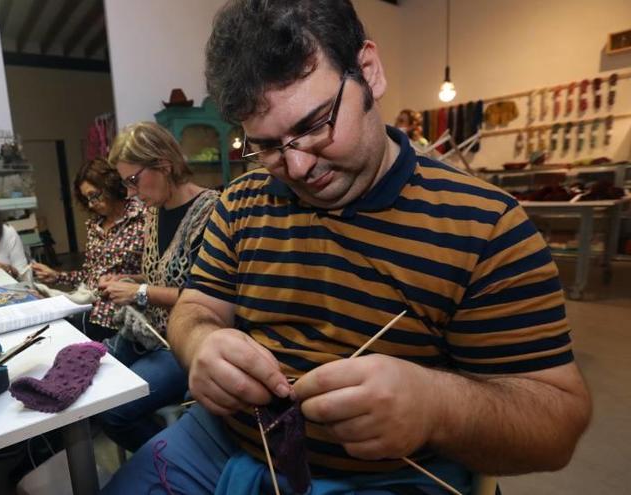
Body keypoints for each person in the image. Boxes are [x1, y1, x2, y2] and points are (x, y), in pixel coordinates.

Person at [103, 1, 591, 494]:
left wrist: (437, 405)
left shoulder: (485, 226)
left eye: (313, 125)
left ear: (370, 73)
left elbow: (557, 427)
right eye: (268, 145)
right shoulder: (239, 202)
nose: (295, 168)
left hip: (388, 474)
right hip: (221, 443)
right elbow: (193, 309)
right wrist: (201, 343)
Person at [96, 121, 220, 453]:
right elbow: (161, 276)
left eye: (133, 181)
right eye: (126, 185)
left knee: (113, 412)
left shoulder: (213, 212)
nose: (132, 193)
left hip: (183, 342)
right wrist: (129, 282)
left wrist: (139, 293)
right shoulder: (155, 212)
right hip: (150, 332)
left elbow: (208, 296)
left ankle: (175, 466)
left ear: (163, 164)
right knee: (90, 380)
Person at [31, 158, 146, 342]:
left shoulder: (143, 220)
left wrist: (126, 280)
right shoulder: (95, 225)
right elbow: (89, 275)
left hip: (120, 317)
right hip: (89, 309)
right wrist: (57, 276)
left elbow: (156, 276)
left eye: (94, 196)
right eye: (87, 199)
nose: (91, 204)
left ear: (110, 186)